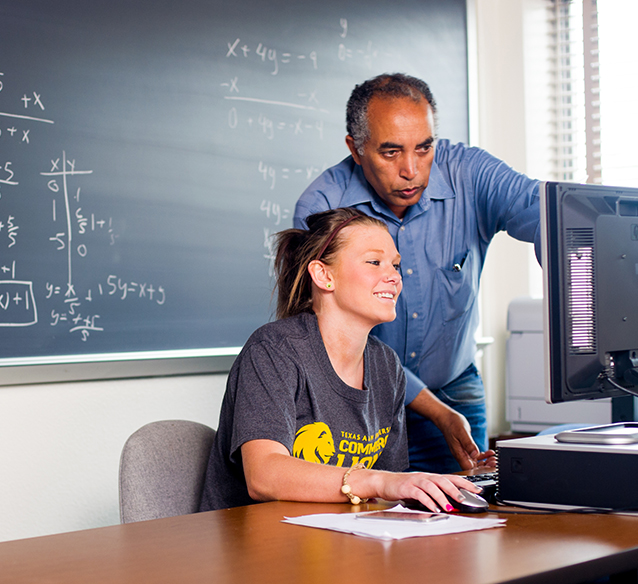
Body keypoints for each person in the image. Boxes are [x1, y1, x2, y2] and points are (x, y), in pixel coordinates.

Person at [294, 73, 541, 474]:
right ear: (356, 150)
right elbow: (341, 335)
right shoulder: (322, 207)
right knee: (376, 525)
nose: (411, 170)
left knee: (470, 524)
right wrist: (437, 412)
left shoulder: (470, 174)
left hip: (457, 389)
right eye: (391, 153)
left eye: (424, 148)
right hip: (366, 402)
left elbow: (547, 214)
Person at [200, 208, 483, 513]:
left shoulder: (386, 365)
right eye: (374, 262)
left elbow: (386, 495)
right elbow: (263, 476)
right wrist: (375, 481)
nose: (394, 277)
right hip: (255, 549)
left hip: (333, 544)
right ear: (324, 275)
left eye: (396, 265)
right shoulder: (273, 350)